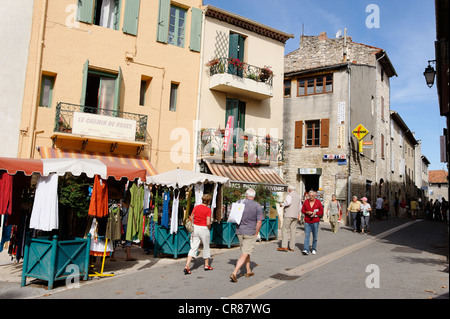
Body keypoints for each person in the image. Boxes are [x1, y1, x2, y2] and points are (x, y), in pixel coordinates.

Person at [230, 188, 264, 283]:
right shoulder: (257, 206)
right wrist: (256, 232)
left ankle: (248, 270)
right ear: (254, 196)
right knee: (245, 252)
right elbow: (259, 221)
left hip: (239, 230)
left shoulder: (239, 202)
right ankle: (235, 272)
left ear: (246, 195)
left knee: (245, 251)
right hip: (250, 231)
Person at [184, 194, 213, 274]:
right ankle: (206, 265)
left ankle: (187, 265)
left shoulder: (196, 207)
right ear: (209, 201)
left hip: (195, 228)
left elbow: (191, 217)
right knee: (206, 246)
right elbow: (207, 223)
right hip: (204, 229)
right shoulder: (208, 210)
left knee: (193, 247)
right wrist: (210, 224)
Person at [278, 186, 301, 252]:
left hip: (288, 214)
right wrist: (297, 213)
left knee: (284, 229)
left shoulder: (290, 195)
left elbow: (288, 202)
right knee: (293, 231)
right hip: (295, 215)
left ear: (290, 189)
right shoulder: (298, 196)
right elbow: (300, 207)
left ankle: (284, 246)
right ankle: (292, 247)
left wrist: (282, 204)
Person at [301, 190, 323, 255]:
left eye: (312, 196)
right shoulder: (306, 202)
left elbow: (321, 211)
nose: (310, 197)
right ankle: (306, 249)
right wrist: (306, 212)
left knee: (315, 236)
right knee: (307, 235)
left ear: (315, 196)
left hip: (315, 221)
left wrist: (315, 213)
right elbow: (302, 210)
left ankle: (314, 248)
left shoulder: (318, 202)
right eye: (309, 196)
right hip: (307, 221)